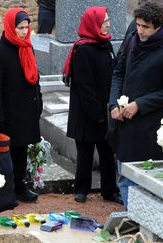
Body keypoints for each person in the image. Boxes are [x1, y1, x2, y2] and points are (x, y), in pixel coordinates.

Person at [109, 2, 163, 209]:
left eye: (145, 27)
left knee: (143, 181)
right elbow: (118, 73)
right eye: (138, 24)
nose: (140, 30)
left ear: (158, 26)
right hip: (124, 124)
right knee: (123, 176)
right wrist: (113, 104)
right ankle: (130, 220)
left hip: (149, 128)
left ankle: (138, 224)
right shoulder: (133, 39)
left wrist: (139, 105)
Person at [64, 7, 121, 204]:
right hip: (88, 113)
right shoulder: (83, 50)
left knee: (106, 152)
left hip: (105, 110)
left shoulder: (106, 45)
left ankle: (109, 189)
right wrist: (97, 114)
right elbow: (85, 87)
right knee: (85, 152)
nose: (108, 24)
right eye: (104, 21)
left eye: (107, 21)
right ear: (94, 24)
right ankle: (81, 189)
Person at [0, 8, 42, 203]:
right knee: (7, 154)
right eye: (20, 28)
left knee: (21, 151)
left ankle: (20, 186)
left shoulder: (27, 47)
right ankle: (6, 189)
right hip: (9, 113)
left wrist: (39, 101)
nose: (24, 32)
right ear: (11, 26)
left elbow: (35, 78)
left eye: (27, 27)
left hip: (26, 109)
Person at [122, 0, 163, 114]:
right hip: (149, 98)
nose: (160, 12)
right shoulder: (140, 23)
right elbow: (122, 61)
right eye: (156, 7)